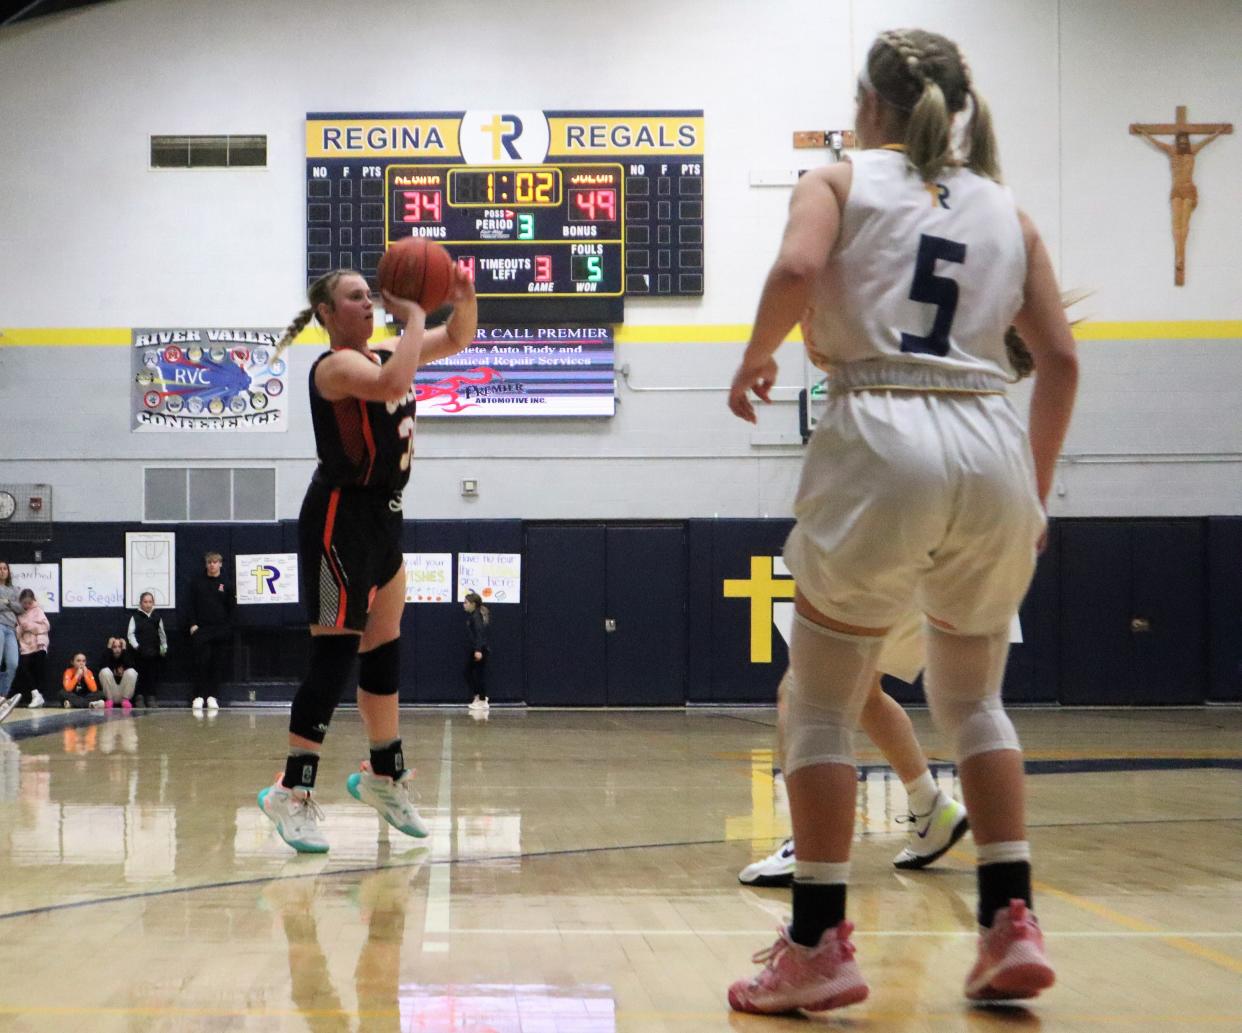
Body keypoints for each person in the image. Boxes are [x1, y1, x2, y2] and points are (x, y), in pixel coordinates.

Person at [725, 28, 1077, 1013]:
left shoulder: (835, 179)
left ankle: (817, 944)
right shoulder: (1009, 206)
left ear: (865, 103)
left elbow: (798, 270)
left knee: (824, 699)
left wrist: (756, 353)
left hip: (881, 434)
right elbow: (1062, 360)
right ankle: (1011, 919)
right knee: (975, 702)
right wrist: (1037, 493)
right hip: (993, 447)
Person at [257, 264, 477, 853]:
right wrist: (412, 316)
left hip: (384, 517)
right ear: (327, 314)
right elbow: (389, 384)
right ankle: (290, 789)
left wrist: (463, 297)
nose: (365, 303)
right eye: (354, 298)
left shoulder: (384, 351)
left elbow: (457, 339)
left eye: (367, 295)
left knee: (385, 646)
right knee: (334, 656)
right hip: (338, 521)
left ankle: (383, 773)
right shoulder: (336, 368)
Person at [738, 611, 968, 887]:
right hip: (925, 584)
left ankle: (809, 843)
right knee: (863, 690)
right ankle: (930, 807)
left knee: (800, 691)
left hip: (884, 577)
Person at [184, 551, 234, 711]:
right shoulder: (197, 582)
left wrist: (227, 628)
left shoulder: (227, 583)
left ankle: (212, 696)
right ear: (206, 564)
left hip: (220, 630)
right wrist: (193, 624)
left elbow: (231, 608)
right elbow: (190, 605)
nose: (212, 565)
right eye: (209, 562)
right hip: (202, 630)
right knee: (201, 664)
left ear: (220, 564)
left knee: (217, 665)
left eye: (215, 562)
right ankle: (199, 696)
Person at [127, 592, 168, 708]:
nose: (148, 604)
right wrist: (137, 646)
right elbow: (130, 634)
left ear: (153, 603)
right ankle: (139, 697)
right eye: (145, 602)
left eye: (150, 602)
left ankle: (151, 697)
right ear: (141, 603)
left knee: (152, 674)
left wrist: (164, 647)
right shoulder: (135, 617)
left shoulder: (157, 617)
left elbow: (162, 633)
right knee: (140, 675)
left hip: (154, 652)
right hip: (140, 653)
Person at [11, 589, 50, 710]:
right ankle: (35, 694)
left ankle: (39, 696)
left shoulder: (38, 610)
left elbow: (46, 626)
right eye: (24, 603)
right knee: (23, 668)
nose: (27, 605)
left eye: (29, 603)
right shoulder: (18, 614)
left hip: (39, 644)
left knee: (39, 671)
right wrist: (21, 629)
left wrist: (31, 627)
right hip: (25, 646)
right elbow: (16, 633)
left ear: (33, 601)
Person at [463, 591, 490, 712]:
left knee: (478, 675)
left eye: (466, 603)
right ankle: (479, 697)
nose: (464, 605)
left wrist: (478, 650)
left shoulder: (476, 616)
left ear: (473, 604)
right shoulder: (474, 615)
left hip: (480, 650)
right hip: (476, 648)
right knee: (468, 672)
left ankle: (482, 700)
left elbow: (479, 634)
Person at [96, 636, 138, 711]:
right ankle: (109, 700)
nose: (117, 649)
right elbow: (102, 666)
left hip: (124, 693)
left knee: (132, 671)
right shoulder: (107, 657)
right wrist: (109, 647)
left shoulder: (126, 656)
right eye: (114, 647)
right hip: (111, 693)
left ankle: (125, 700)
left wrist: (124, 648)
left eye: (119, 647)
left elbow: (131, 666)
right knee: (104, 671)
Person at [0, 561, 21, 704]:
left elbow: (21, 608)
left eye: (4, 568)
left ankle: (2, 696)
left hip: (11, 628)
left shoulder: (15, 589)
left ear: (8, 571)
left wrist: (7, 602)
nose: (2, 571)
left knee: (13, 663)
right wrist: (8, 605)